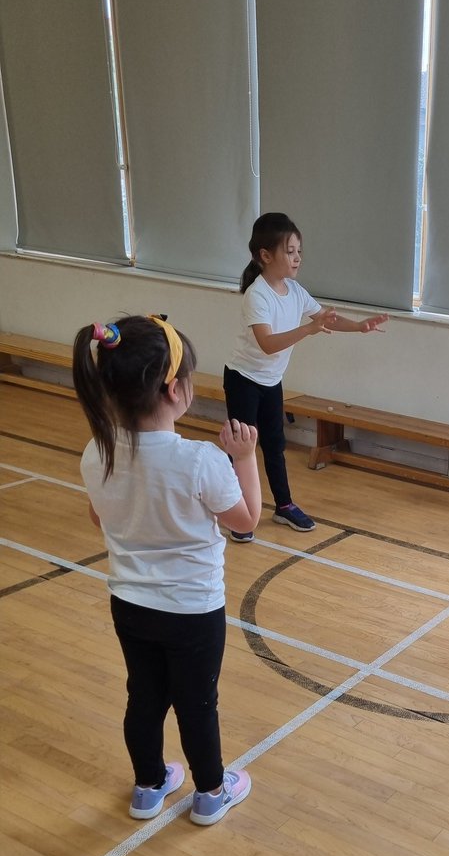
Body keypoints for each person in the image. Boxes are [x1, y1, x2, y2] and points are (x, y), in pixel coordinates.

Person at [73, 315, 262, 824]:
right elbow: (246, 521)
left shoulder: (97, 452)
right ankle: (211, 793)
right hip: (193, 611)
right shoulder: (201, 460)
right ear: (175, 389)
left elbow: (99, 516)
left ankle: (149, 786)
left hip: (130, 604)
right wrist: (246, 457)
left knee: (144, 696)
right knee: (197, 704)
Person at [224, 211, 389, 541]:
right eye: (290, 251)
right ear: (265, 255)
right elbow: (268, 344)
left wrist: (359, 326)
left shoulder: (295, 291)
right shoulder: (258, 295)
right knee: (241, 449)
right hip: (243, 379)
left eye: (299, 250)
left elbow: (325, 318)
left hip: (271, 382)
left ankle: (283, 506)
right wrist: (308, 330)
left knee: (275, 444)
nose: (297, 257)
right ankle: (236, 513)